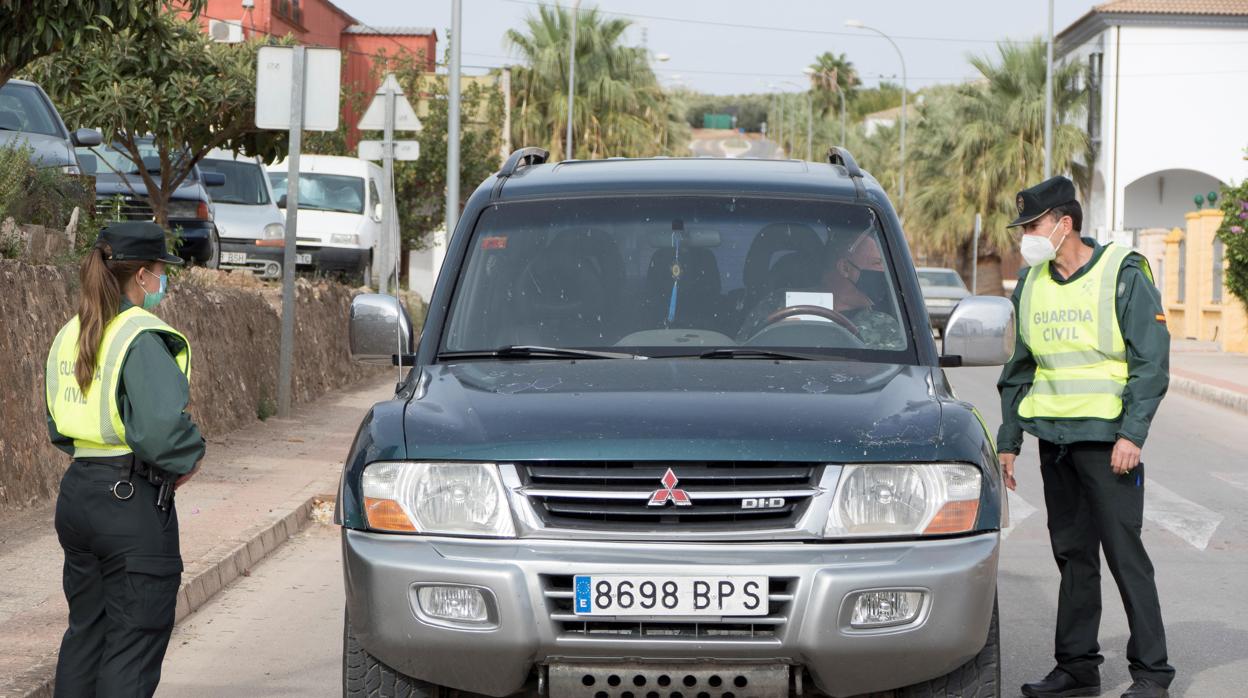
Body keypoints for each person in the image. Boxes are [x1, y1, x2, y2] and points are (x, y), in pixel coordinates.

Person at [997, 177, 1173, 698]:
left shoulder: (1122, 273)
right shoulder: (1031, 284)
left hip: (1109, 441)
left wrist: (1132, 434)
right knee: (1073, 557)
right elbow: (1019, 367)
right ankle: (1077, 668)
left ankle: (1152, 674)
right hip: (1056, 441)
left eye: (1033, 225)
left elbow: (1150, 362)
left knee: (1125, 556)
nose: (1025, 236)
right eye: (1023, 227)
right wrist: (1010, 440)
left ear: (1063, 223)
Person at [44, 221, 205, 697]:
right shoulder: (138, 334)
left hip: (79, 495)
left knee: (86, 635)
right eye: (159, 272)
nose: (162, 282)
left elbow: (58, 425)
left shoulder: (69, 333)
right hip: (129, 503)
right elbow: (163, 431)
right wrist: (191, 455)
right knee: (132, 645)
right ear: (141, 277)